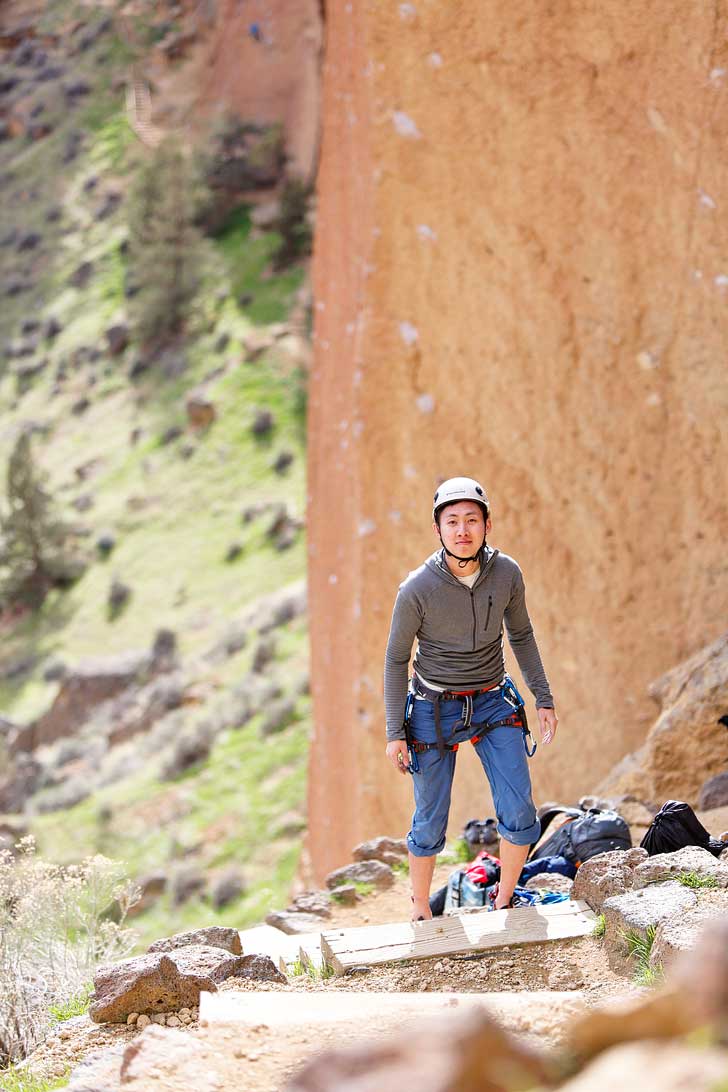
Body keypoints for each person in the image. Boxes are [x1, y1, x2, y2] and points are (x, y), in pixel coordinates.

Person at [383, 476, 558, 920]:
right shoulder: (417, 588)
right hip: (431, 708)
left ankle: (504, 901)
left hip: (493, 701)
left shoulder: (507, 573)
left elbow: (521, 634)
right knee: (430, 818)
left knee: (519, 807)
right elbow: (395, 661)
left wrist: (543, 696)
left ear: (487, 525)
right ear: (438, 529)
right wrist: (394, 731)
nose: (463, 530)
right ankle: (421, 910)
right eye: (453, 521)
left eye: (472, 520)